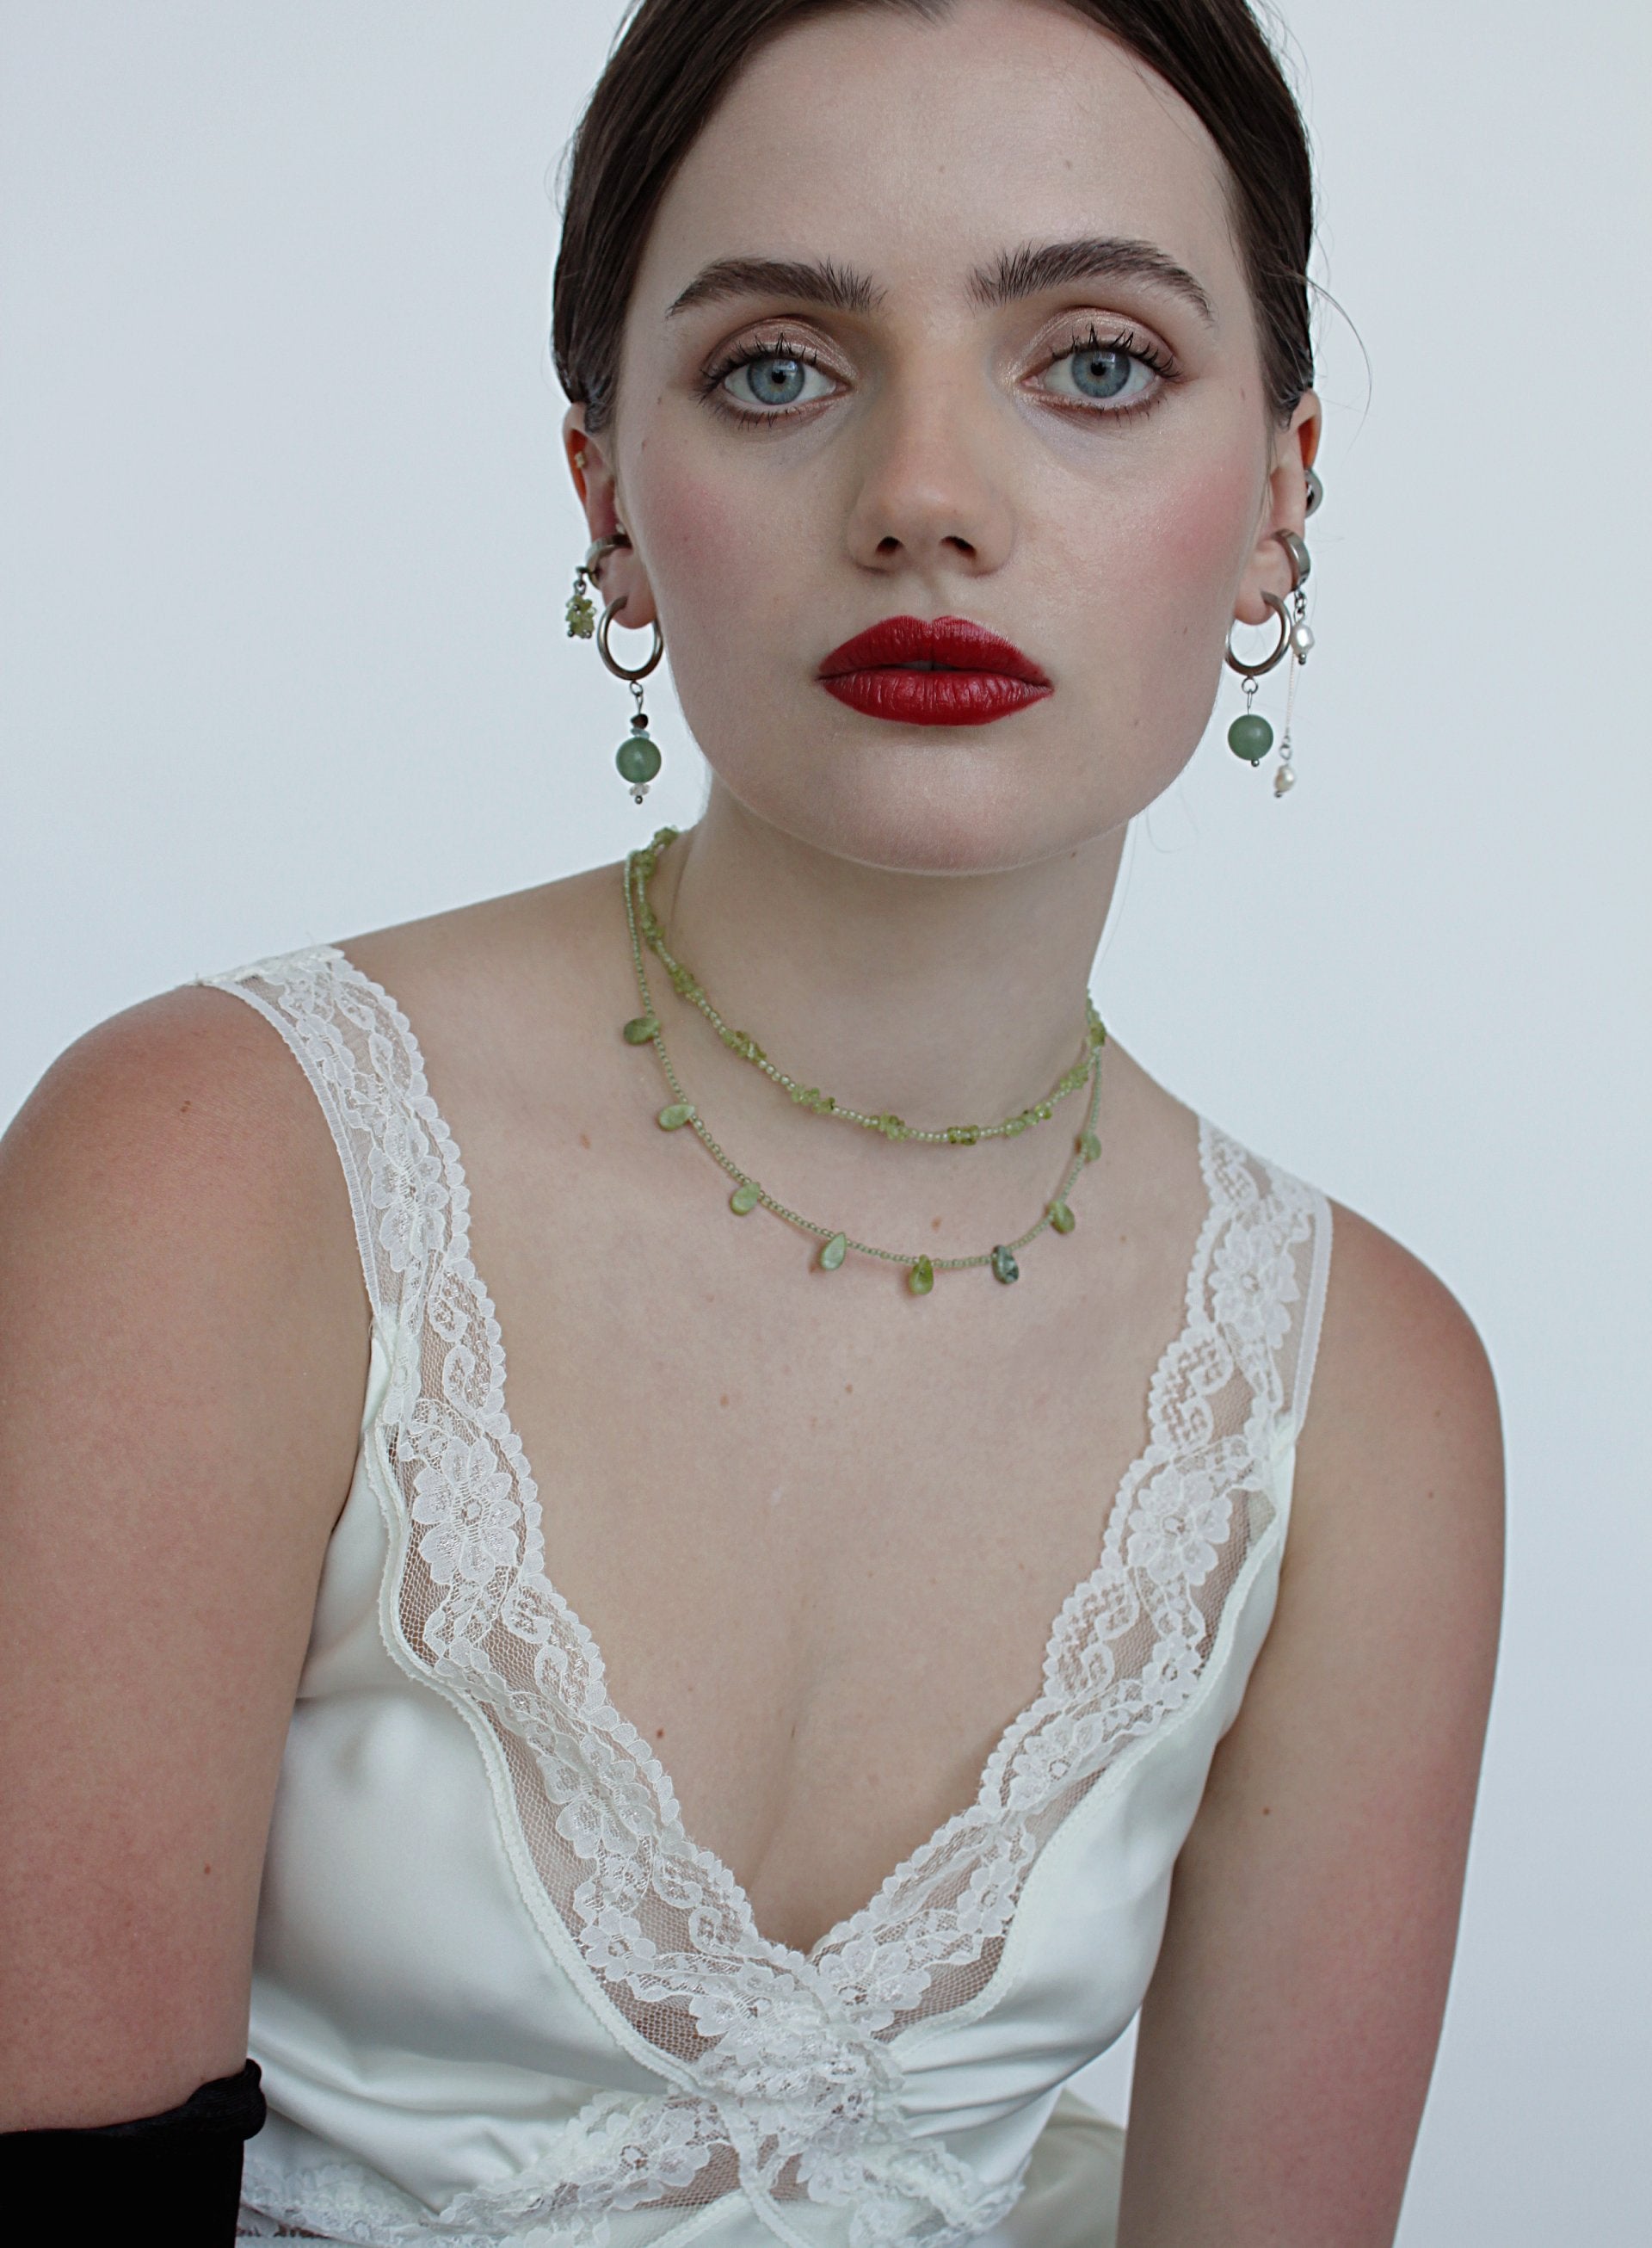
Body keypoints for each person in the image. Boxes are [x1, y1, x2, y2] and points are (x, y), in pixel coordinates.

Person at [0, 2, 1504, 2241]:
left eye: (1093, 361)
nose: (925, 496)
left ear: (1283, 490)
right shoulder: (218, 1173)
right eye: (780, 366)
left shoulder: (1365, 1398)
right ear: (606, 488)